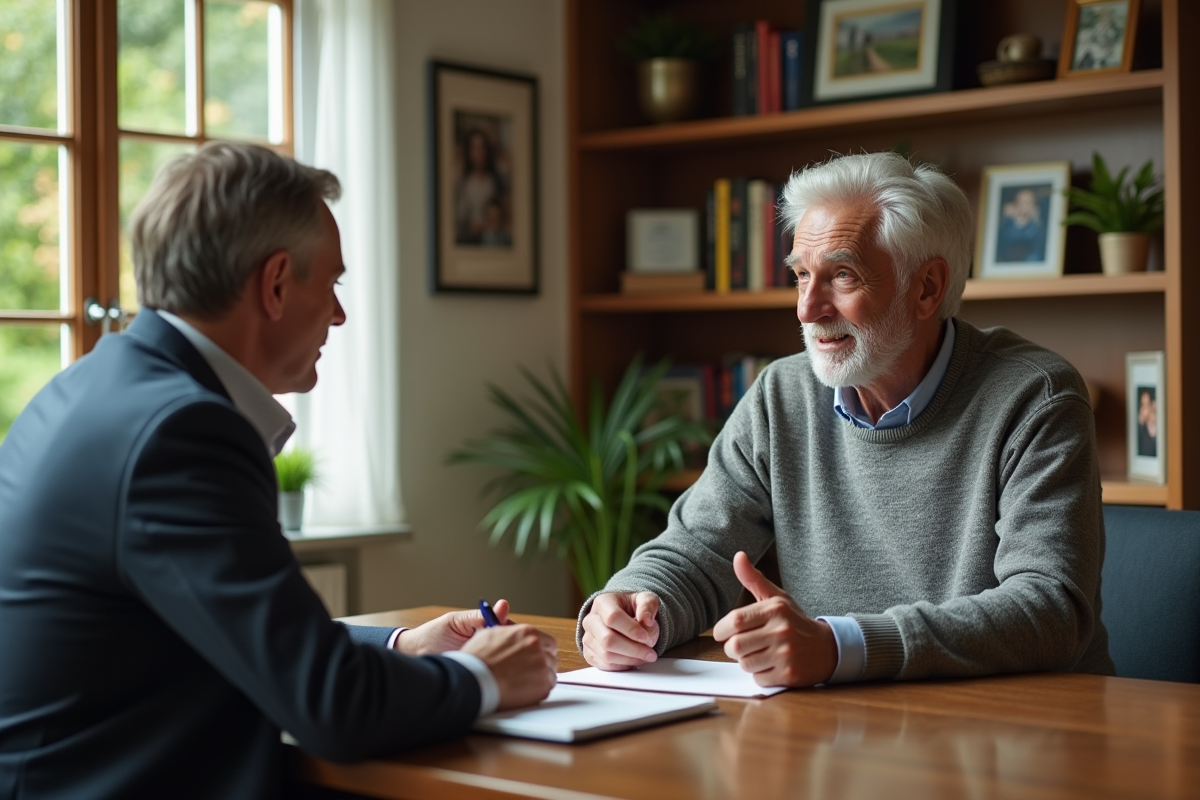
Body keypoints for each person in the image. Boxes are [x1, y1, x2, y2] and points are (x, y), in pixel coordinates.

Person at [0, 142, 558, 799]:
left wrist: (402, 645)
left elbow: (237, 630)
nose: (340, 314)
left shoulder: (95, 385)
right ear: (273, 284)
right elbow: (332, 707)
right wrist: (485, 677)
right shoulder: (180, 433)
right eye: (332, 284)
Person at [578, 151, 1113, 688]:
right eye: (801, 276)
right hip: (841, 724)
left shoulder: (1034, 397)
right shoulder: (780, 394)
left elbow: (1049, 609)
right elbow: (695, 552)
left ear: (926, 288)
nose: (807, 310)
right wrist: (630, 608)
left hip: (1019, 731)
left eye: (842, 275)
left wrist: (841, 646)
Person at [995, 186, 1047, 263]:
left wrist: (1036, 221)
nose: (1024, 207)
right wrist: (1004, 218)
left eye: (1028, 203)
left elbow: (1038, 247)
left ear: (1035, 206)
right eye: (1020, 202)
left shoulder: (1038, 226)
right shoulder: (1007, 224)